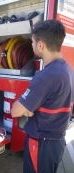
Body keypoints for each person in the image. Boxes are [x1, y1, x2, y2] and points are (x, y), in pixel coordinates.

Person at [11, 20, 74, 173]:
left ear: (41, 45)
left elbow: (15, 111)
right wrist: (31, 108)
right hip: (56, 141)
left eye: (32, 41)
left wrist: (29, 109)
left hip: (40, 144)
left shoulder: (46, 77)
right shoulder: (67, 69)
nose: (31, 45)